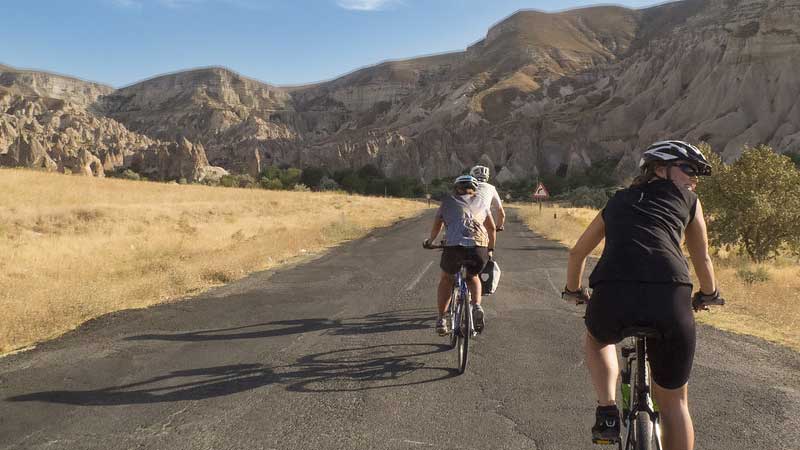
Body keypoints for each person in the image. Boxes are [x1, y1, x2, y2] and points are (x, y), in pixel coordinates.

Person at [562, 140, 724, 450]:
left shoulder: (618, 201)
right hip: (670, 296)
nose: (694, 180)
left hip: (612, 293)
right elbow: (702, 257)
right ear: (660, 170)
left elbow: (577, 253)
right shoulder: (689, 201)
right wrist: (709, 293)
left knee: (598, 339)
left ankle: (608, 409)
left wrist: (573, 290)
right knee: (675, 402)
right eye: (688, 170)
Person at [424, 175, 496, 336]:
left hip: (454, 246)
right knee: (473, 277)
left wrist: (430, 241)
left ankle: (442, 319)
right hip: (479, 247)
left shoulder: (448, 201)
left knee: (447, 279)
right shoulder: (482, 203)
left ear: (456, 189)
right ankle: (477, 306)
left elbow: (438, 224)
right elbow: (491, 228)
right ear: (474, 189)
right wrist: (490, 249)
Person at [470, 165, 506, 231]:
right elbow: (501, 212)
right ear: (487, 177)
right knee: (492, 230)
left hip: (463, 215)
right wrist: (499, 226)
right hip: (482, 215)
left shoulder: (467, 186)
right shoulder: (491, 188)